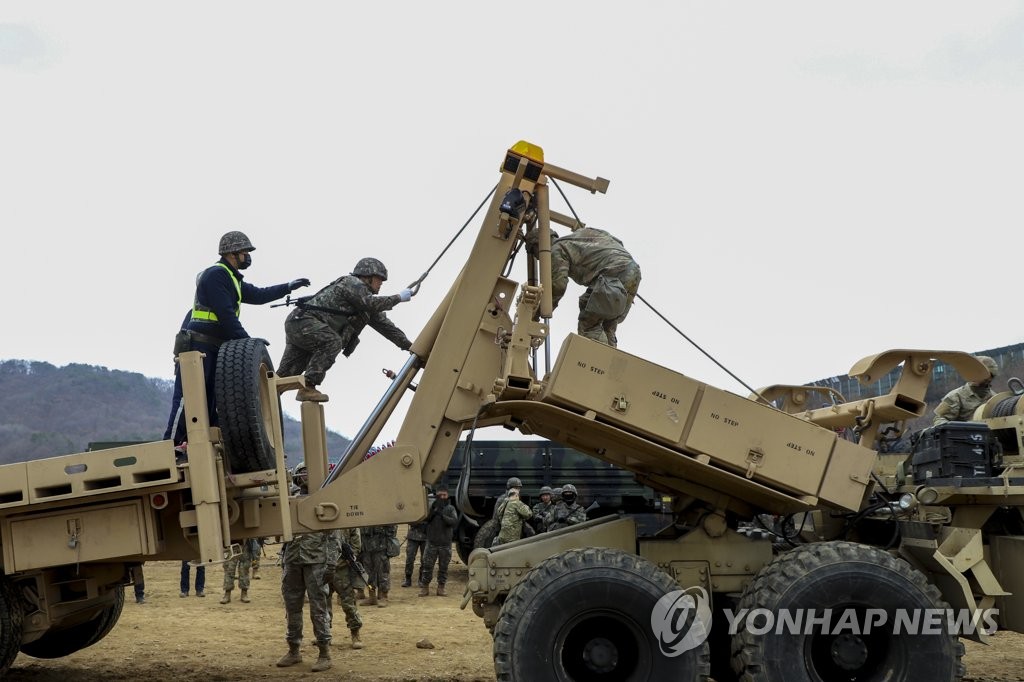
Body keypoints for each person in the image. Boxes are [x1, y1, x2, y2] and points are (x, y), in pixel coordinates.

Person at [165, 231, 310, 445]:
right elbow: (225, 315)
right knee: (190, 397)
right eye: (245, 252)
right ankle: (171, 445)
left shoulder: (232, 278)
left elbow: (259, 295)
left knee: (212, 400)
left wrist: (288, 287)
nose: (248, 256)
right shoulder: (216, 275)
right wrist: (249, 344)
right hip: (199, 345)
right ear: (233, 253)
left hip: (216, 347)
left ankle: (201, 446)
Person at [277, 257, 414, 403]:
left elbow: (387, 328)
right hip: (304, 323)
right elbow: (371, 303)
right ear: (368, 276)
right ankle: (308, 387)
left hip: (301, 325)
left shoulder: (365, 305)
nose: (381, 283)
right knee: (332, 342)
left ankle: (259, 398)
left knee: (283, 378)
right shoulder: (353, 283)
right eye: (379, 279)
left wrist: (410, 346)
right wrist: (399, 298)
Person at [527, 226, 641, 348]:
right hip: (633, 272)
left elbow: (558, 286)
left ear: (537, 245)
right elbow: (618, 242)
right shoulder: (582, 233)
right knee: (607, 324)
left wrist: (538, 313)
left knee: (589, 324)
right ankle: (609, 363)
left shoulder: (556, 249)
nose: (539, 259)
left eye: (535, 254)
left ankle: (598, 361)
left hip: (612, 275)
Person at [276, 468, 337, 672]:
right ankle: (294, 650)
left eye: (307, 473)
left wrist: (331, 563)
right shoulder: (290, 500)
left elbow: (334, 536)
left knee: (318, 609)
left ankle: (324, 653)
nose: (304, 477)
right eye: (301, 473)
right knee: (292, 607)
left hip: (316, 561)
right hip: (293, 560)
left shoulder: (325, 500)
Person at [327, 527, 366, 650]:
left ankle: (355, 634)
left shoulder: (347, 520)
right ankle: (324, 634)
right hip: (323, 566)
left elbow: (356, 544)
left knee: (348, 603)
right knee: (322, 603)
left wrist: (349, 556)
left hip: (342, 568)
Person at [933, 355, 1000, 425]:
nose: (974, 375)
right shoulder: (956, 396)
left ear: (990, 377)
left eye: (979, 372)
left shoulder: (995, 399)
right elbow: (939, 419)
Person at [419, 485, 458, 597]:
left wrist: (443, 516)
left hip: (445, 544)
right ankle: (424, 588)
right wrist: (433, 512)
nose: (442, 497)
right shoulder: (432, 506)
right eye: (439, 495)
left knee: (443, 568)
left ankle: (441, 588)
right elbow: (425, 519)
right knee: (427, 567)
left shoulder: (450, 509)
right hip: (432, 543)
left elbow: (454, 522)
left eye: (444, 495)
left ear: (448, 495)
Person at [359, 524, 398, 607]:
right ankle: (372, 596)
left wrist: (387, 538)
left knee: (383, 571)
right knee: (368, 573)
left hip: (380, 545)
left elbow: (393, 526)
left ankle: (384, 596)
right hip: (366, 546)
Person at [220, 537, 259, 603]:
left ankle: (244, 593)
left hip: (245, 543)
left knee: (244, 569)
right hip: (229, 543)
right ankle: (227, 594)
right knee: (229, 569)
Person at [403, 519, 428, 588]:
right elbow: (410, 521)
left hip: (426, 536)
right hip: (413, 535)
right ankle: (408, 578)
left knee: (424, 560)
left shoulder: (431, 508)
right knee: (410, 558)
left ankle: (421, 579)